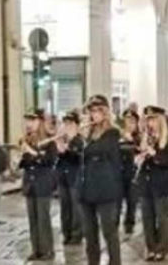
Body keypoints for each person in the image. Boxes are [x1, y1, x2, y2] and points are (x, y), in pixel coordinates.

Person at [78, 95, 124, 265]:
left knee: (109, 231)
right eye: (91, 111)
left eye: (97, 110)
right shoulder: (89, 133)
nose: (94, 114)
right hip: (87, 188)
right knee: (89, 233)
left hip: (105, 189)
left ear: (105, 112)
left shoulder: (112, 133)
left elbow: (100, 149)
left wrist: (83, 140)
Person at [136, 106, 168, 261]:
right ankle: (150, 248)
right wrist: (139, 157)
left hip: (161, 184)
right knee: (147, 218)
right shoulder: (146, 139)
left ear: (160, 121)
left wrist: (155, 154)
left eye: (152, 120)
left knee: (162, 219)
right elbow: (140, 156)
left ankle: (162, 248)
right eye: (148, 120)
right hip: (146, 184)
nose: (150, 124)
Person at [19, 110, 58, 261]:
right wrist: (21, 158)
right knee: (32, 219)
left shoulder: (49, 140)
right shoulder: (26, 140)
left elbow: (50, 160)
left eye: (33, 120)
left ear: (40, 122)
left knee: (43, 219)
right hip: (30, 183)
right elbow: (26, 162)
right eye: (28, 120)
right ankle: (36, 250)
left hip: (43, 183)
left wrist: (32, 153)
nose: (29, 124)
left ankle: (48, 250)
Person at [57, 112, 85, 245]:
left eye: (70, 123)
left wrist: (67, 148)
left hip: (75, 176)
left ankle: (76, 234)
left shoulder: (79, 140)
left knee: (75, 207)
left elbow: (79, 156)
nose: (67, 126)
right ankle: (66, 233)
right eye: (65, 123)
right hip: (63, 176)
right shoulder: (62, 139)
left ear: (76, 125)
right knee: (64, 206)